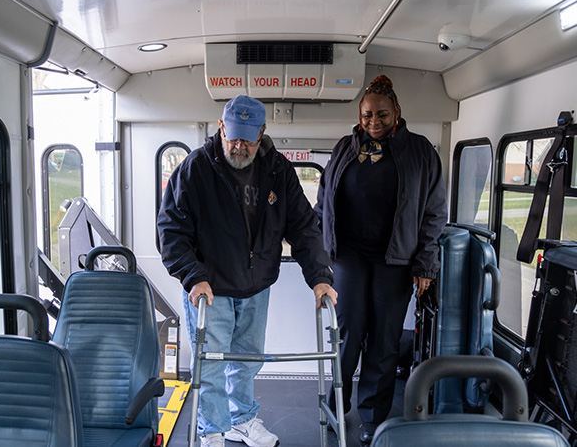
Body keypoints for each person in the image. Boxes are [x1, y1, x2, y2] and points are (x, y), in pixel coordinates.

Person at [158, 94, 338, 447]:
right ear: (221, 127)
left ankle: (241, 420)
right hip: (210, 286)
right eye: (233, 135)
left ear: (262, 133)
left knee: (247, 360)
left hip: (256, 286)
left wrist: (320, 277)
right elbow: (171, 230)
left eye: (247, 137)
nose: (238, 145)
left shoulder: (278, 171)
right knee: (209, 365)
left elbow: (303, 227)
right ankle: (211, 431)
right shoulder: (195, 169)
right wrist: (194, 276)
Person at [315, 75, 447, 444]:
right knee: (347, 335)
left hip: (397, 260)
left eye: (382, 115)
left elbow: (435, 213)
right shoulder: (344, 147)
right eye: (367, 114)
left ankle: (374, 415)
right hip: (349, 258)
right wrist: (316, 250)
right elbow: (324, 200)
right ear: (360, 114)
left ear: (397, 113)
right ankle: (336, 405)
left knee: (385, 341)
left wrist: (425, 264)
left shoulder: (420, 151)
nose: (374, 122)